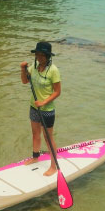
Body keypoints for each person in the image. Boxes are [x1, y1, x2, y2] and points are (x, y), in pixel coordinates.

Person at [20, 41, 61, 176]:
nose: (39, 57)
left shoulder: (53, 70)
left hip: (47, 110)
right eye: (37, 54)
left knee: (48, 137)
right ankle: (35, 157)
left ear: (48, 56)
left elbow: (57, 92)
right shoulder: (35, 66)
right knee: (35, 134)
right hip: (34, 107)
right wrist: (23, 70)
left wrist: (44, 102)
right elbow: (25, 81)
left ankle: (54, 166)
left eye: (42, 55)